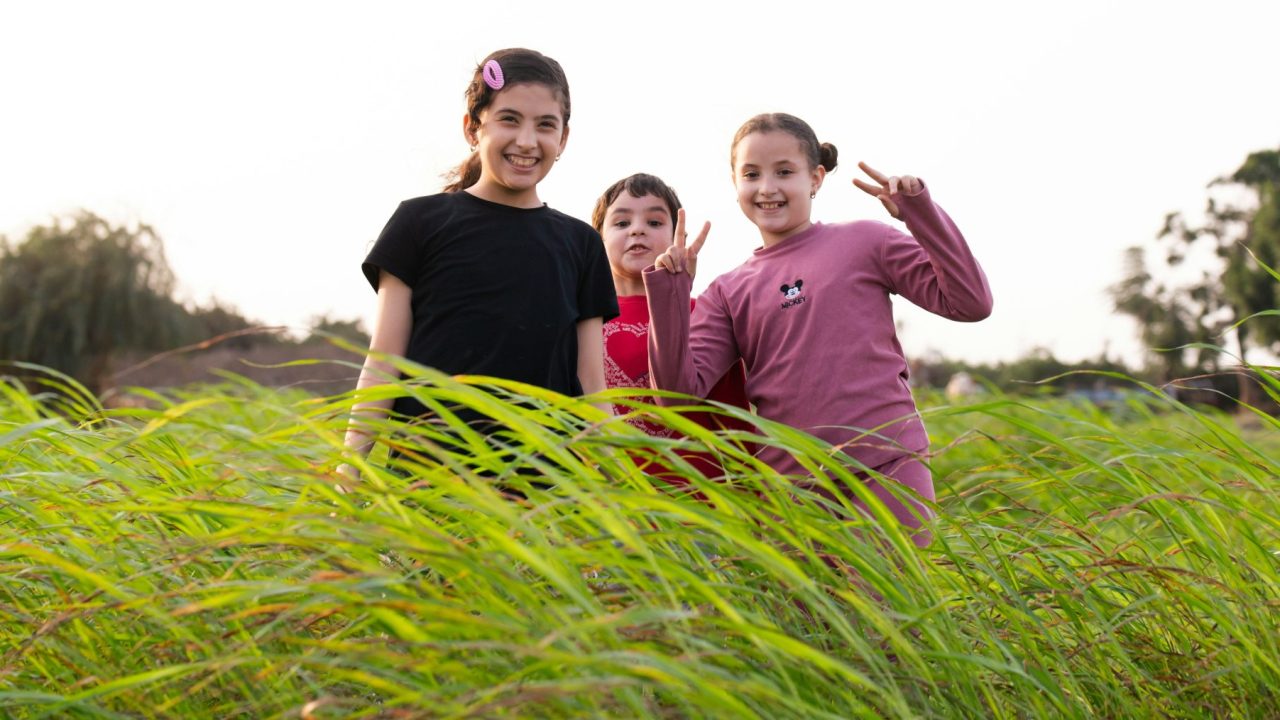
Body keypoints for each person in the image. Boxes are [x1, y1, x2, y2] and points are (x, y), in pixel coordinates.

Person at [644, 113, 993, 544]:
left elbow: (970, 303)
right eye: (751, 174)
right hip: (793, 490)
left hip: (888, 467)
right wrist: (671, 293)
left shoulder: (868, 241)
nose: (767, 188)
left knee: (889, 607)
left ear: (816, 178)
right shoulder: (728, 291)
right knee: (811, 614)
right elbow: (677, 394)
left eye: (784, 172)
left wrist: (921, 215)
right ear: (734, 184)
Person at [342, 48, 617, 480]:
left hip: (546, 494)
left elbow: (591, 386)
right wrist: (350, 471)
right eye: (509, 119)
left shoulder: (581, 243)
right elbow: (383, 362)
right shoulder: (419, 222)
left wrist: (618, 485)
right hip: (429, 482)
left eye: (545, 125)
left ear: (563, 139)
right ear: (473, 128)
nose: (527, 141)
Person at [591, 173, 749, 438]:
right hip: (609, 476)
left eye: (654, 222)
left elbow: (733, 415)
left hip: (697, 478)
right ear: (597, 240)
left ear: (680, 238)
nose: (637, 229)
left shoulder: (706, 313)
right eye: (621, 222)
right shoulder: (586, 319)